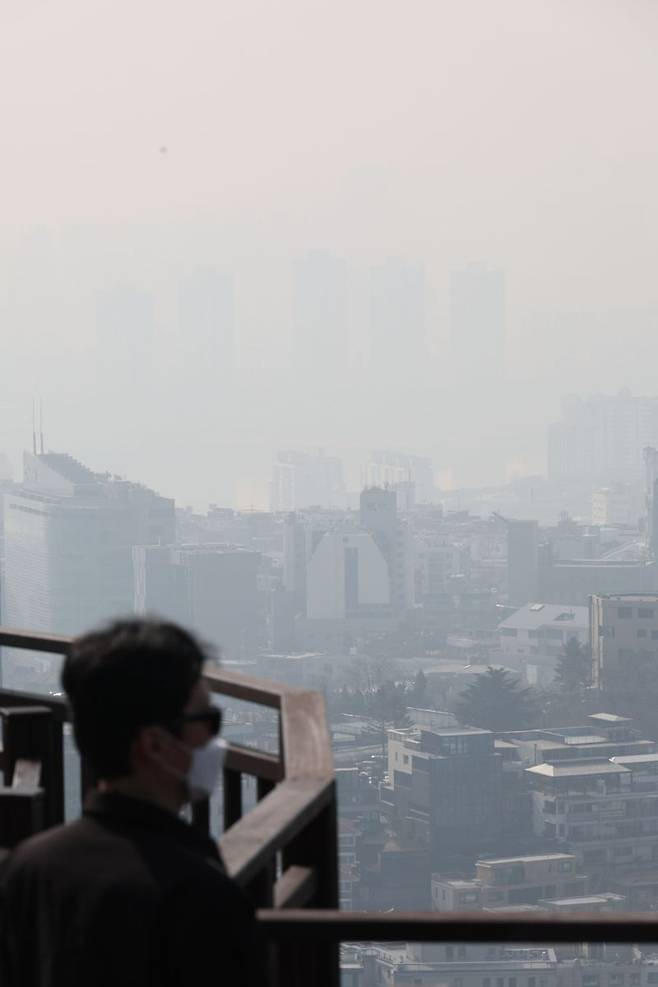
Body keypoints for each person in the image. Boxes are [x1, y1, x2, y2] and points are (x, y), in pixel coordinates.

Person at [0, 619, 264, 986]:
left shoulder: (26, 869)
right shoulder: (199, 893)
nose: (217, 739)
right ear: (154, 744)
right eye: (210, 720)